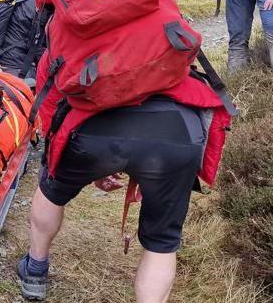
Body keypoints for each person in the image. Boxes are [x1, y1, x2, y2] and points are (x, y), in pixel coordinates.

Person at [17, 68, 232, 302]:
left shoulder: (75, 30)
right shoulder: (172, 31)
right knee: (162, 241)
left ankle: (35, 270)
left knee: (52, 191)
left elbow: (51, 87)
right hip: (177, 131)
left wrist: (72, 156)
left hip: (93, 127)